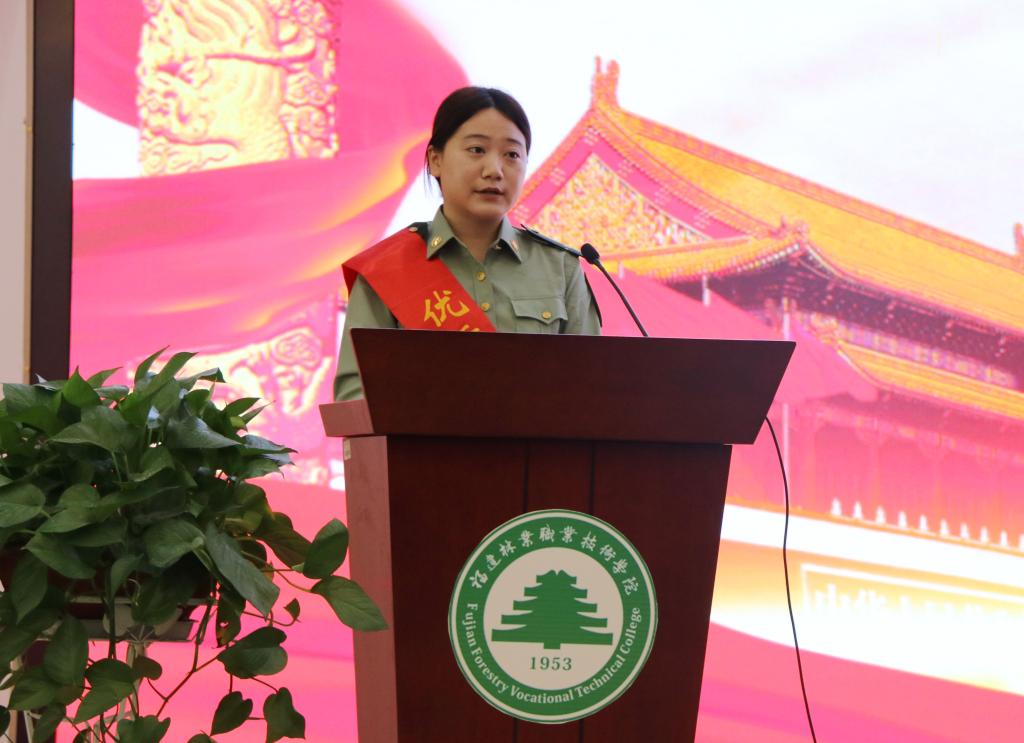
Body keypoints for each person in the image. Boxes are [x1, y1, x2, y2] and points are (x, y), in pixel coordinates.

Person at [333, 87, 601, 400]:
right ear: (435, 160)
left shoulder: (561, 269)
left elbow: (592, 389)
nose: (494, 170)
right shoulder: (385, 271)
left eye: (512, 155)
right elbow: (356, 398)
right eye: (476, 150)